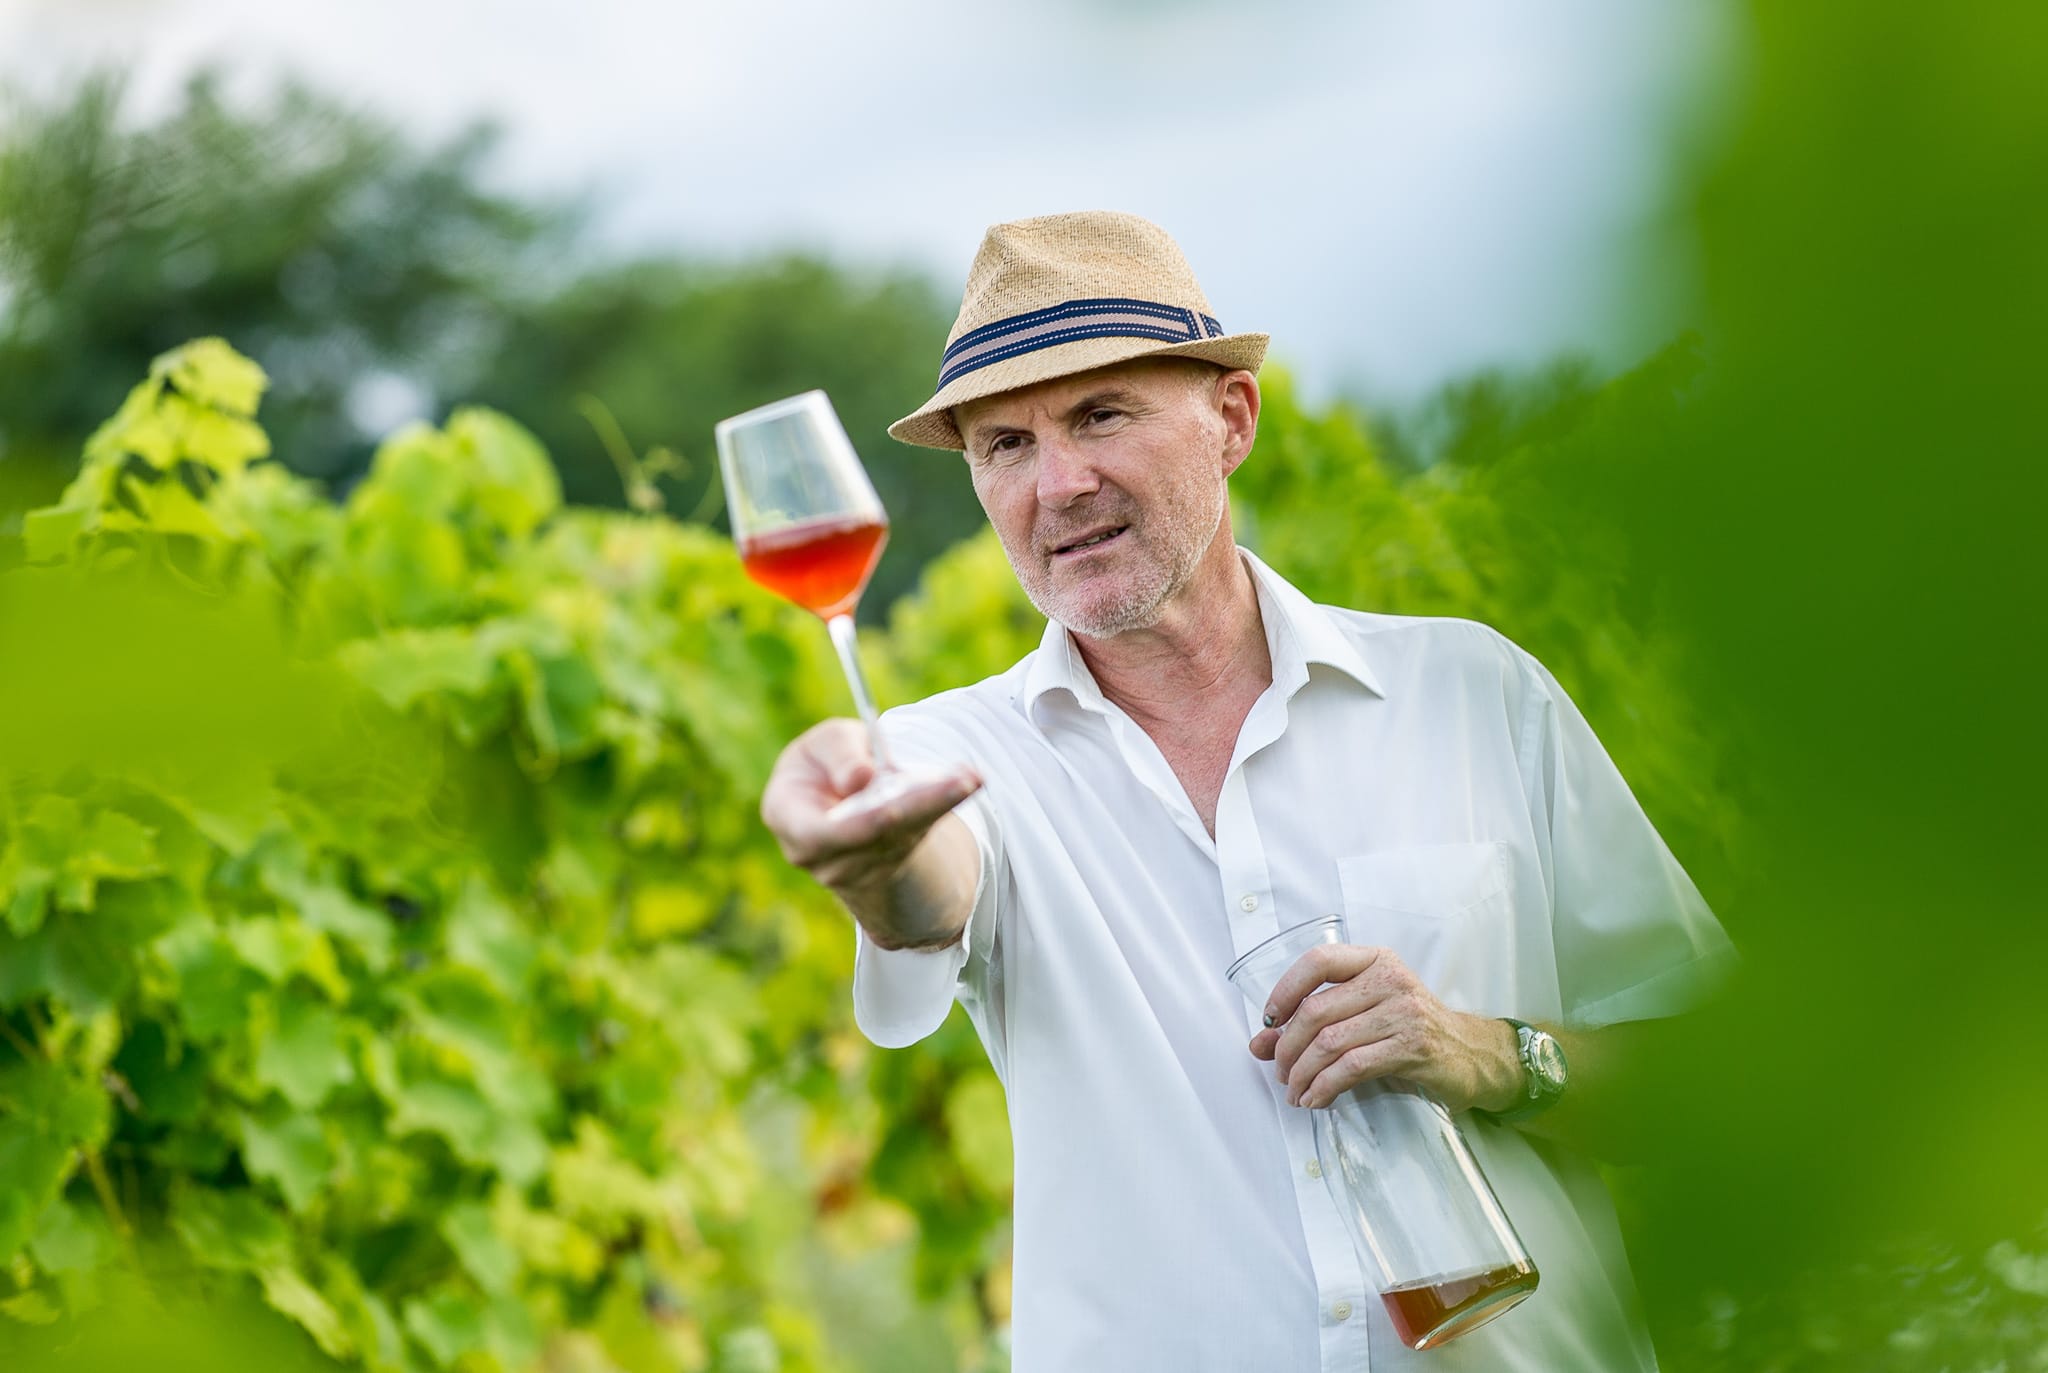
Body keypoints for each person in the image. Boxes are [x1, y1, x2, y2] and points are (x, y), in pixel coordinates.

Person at [759, 211, 1735, 1371]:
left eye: (1099, 415)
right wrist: (872, 861)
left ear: (1231, 419)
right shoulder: (948, 754)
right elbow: (929, 884)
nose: (1058, 484)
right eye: (1003, 445)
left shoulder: (1472, 692)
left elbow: (1713, 1091)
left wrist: (1482, 1050)